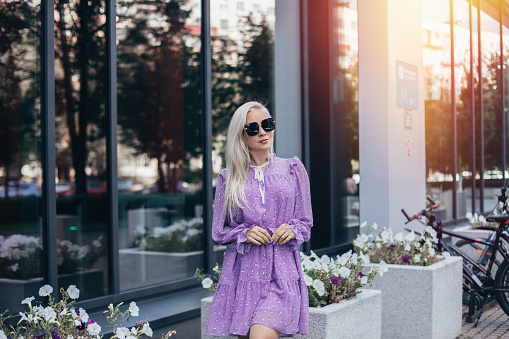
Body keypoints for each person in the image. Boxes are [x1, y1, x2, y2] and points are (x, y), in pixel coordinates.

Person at [205, 102, 313, 339]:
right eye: (253, 128)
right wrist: (244, 233)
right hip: (244, 275)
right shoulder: (228, 178)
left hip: (283, 273)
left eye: (267, 124)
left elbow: (306, 222)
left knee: (260, 335)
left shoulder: (293, 169)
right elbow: (219, 231)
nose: (263, 132)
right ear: (241, 136)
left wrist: (293, 229)